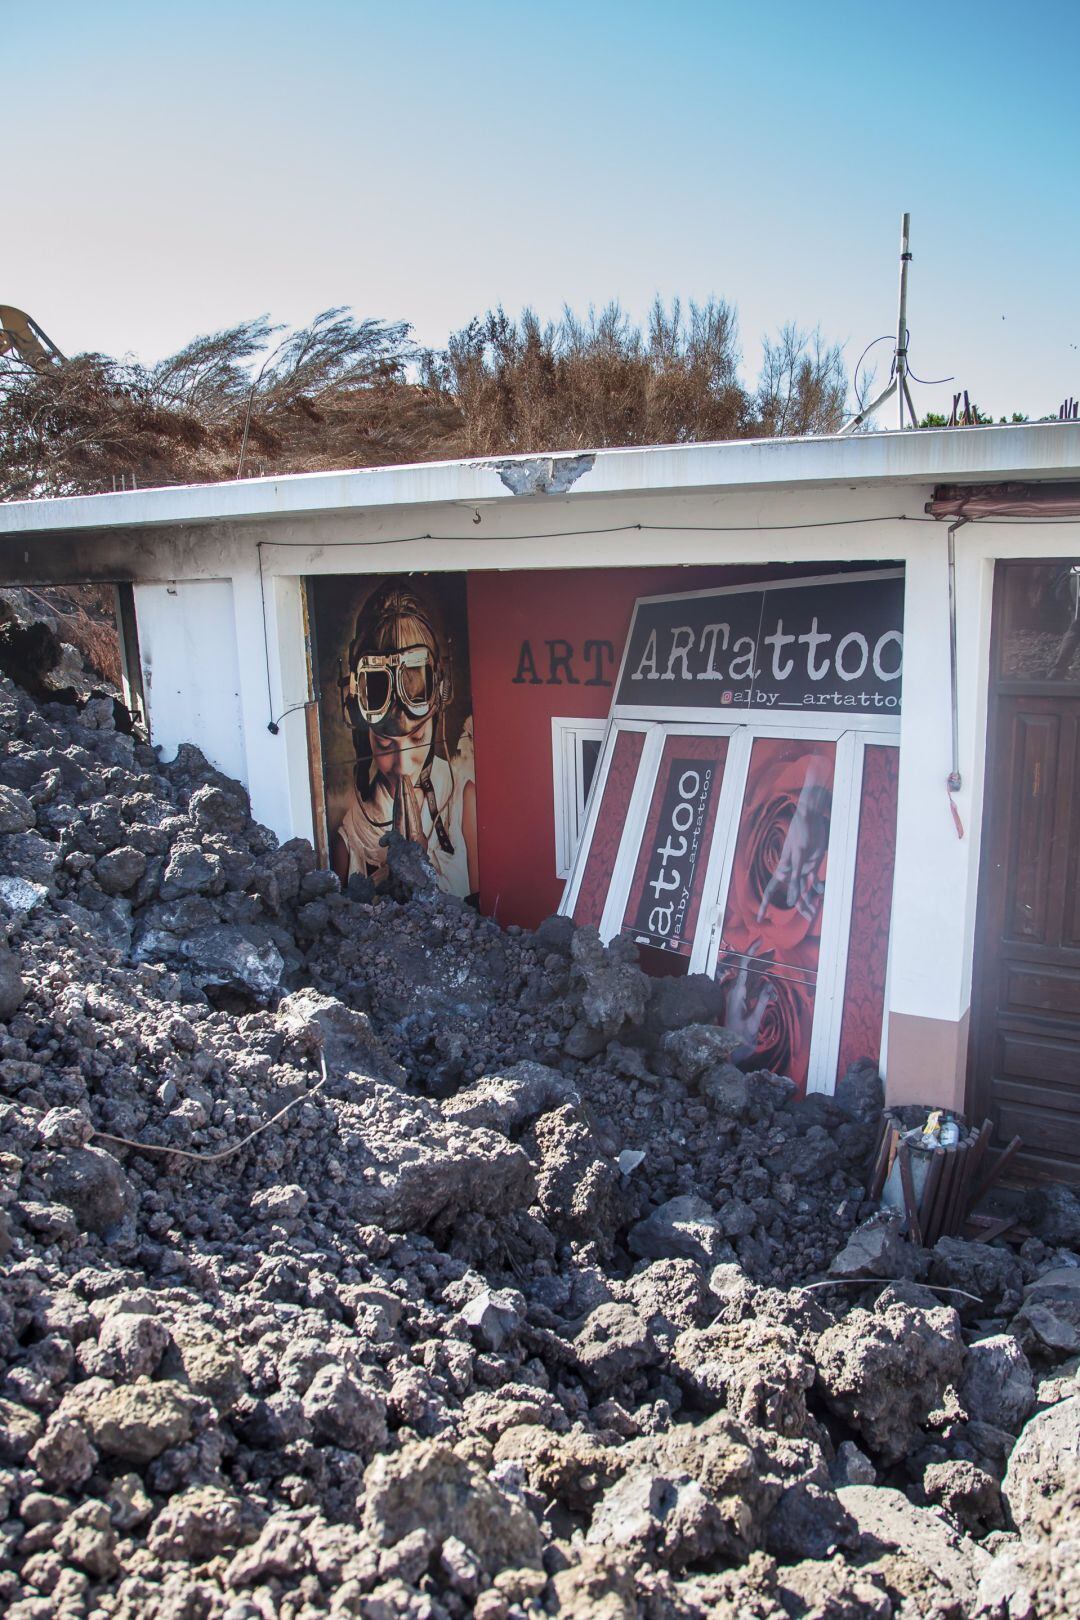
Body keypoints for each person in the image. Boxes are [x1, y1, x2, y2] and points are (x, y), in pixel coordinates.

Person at [331, 578, 478, 899]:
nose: (402, 763)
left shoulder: (461, 802)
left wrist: (420, 868)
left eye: (416, 736)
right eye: (384, 743)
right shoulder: (351, 837)